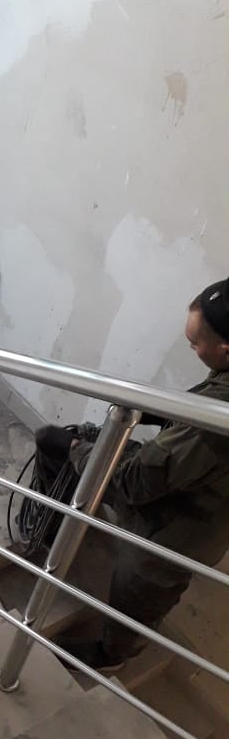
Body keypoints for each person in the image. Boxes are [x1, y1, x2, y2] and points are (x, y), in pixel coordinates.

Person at [38, 277, 229, 673]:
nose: (191, 350)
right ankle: (59, 529)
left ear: (226, 349)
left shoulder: (215, 424)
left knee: (140, 589)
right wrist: (157, 410)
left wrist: (75, 448)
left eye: (195, 343)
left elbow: (131, 483)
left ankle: (113, 655)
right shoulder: (224, 377)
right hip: (192, 484)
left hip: (184, 527)